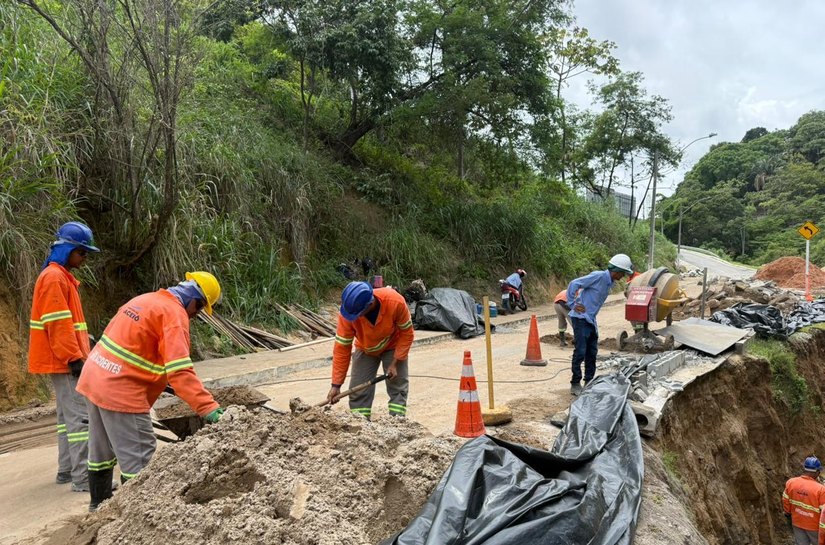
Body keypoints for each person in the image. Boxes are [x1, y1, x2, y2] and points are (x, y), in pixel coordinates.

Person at [76, 271, 224, 512]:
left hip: (95, 376)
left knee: (100, 448)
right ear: (195, 301)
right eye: (198, 310)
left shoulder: (144, 300)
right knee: (139, 454)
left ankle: (98, 508)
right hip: (121, 389)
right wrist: (209, 408)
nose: (194, 315)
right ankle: (137, 517)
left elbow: (134, 348)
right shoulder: (174, 315)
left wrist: (157, 378)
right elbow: (180, 371)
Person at [28, 222, 100, 492]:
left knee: (66, 419)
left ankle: (67, 470)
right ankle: (84, 479)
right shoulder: (54, 278)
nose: (84, 258)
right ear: (67, 249)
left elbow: (67, 323)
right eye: (82, 252)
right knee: (80, 419)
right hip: (65, 361)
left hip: (61, 359)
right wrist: (74, 359)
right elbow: (58, 324)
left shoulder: (59, 277)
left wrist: (84, 344)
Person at [327, 281, 414, 420]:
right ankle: (360, 423)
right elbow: (342, 349)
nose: (355, 318)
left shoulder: (395, 301)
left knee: (397, 385)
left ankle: (397, 422)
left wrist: (395, 362)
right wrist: (336, 385)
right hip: (365, 348)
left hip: (393, 345)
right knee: (358, 390)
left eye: (358, 314)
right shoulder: (348, 313)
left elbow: (407, 333)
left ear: (370, 304)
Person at [566, 254, 634, 396]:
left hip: (591, 319)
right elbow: (574, 283)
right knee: (580, 351)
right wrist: (572, 304)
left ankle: (589, 382)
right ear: (616, 271)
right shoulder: (598, 276)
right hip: (580, 318)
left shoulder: (610, 282)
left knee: (592, 352)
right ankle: (575, 383)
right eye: (622, 273)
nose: (623, 276)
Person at [782, 456, 825, 545]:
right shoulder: (820, 489)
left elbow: (786, 501)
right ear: (817, 472)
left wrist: (788, 513)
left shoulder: (791, 483)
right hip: (814, 526)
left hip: (797, 522)